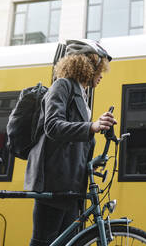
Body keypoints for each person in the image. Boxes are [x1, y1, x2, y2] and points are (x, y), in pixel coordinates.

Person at [24, 39, 116, 246]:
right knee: (44, 241)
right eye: (99, 69)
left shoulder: (82, 95)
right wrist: (91, 126)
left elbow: (77, 141)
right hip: (54, 181)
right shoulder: (61, 85)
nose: (101, 75)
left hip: (72, 182)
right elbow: (53, 126)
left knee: (70, 242)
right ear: (85, 66)